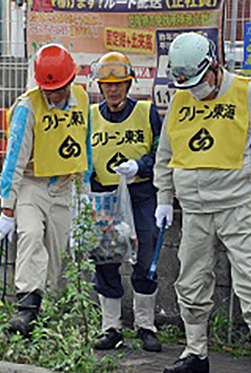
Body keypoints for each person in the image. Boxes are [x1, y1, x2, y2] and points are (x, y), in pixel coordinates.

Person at [155, 32, 251, 373]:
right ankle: (195, 351)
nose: (195, 90)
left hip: (238, 207)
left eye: (200, 82)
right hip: (195, 210)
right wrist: (164, 198)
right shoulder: (180, 100)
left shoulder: (249, 93)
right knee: (190, 280)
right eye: (188, 84)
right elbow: (166, 154)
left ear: (215, 66)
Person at [0, 43, 92, 337]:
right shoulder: (27, 108)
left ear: (71, 81)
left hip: (64, 186)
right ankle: (27, 305)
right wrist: (7, 207)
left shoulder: (82, 99)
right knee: (31, 235)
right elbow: (14, 159)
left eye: (59, 88)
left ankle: (47, 310)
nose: (52, 94)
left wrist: (84, 191)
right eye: (47, 89)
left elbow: (85, 145)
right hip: (31, 185)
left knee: (57, 252)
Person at [89, 52, 163, 352]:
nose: (113, 90)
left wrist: (141, 166)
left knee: (146, 257)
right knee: (105, 258)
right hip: (105, 197)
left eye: (119, 83)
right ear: (100, 87)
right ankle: (111, 328)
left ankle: (145, 325)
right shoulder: (91, 115)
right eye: (107, 84)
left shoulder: (146, 113)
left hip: (142, 194)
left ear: (129, 83)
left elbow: (162, 152)